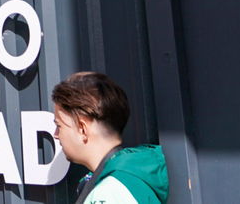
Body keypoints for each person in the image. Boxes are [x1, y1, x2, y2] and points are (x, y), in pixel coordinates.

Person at [51, 72, 169, 204]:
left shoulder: (108, 193)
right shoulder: (134, 175)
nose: (56, 134)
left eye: (59, 126)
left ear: (82, 128)